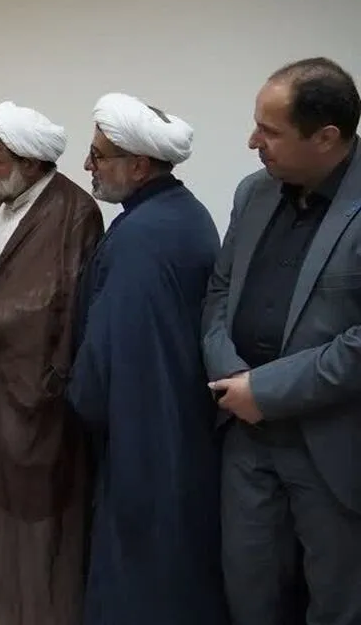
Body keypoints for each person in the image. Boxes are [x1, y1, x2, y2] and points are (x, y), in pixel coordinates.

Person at [204, 57, 361, 625]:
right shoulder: (254, 193)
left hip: (334, 443)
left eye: (269, 131)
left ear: (326, 137)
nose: (253, 142)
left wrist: (266, 390)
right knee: (249, 591)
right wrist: (231, 376)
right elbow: (220, 292)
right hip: (245, 434)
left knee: (337, 601)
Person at [67, 94, 228, 625]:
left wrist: (79, 402)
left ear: (138, 165)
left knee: (139, 578)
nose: (87, 165)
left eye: (98, 155)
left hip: (143, 437)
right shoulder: (184, 214)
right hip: (179, 428)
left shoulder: (141, 235)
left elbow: (109, 355)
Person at [0, 102, 103, 625]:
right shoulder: (0, 204)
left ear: (31, 163)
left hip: (34, 394)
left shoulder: (75, 211)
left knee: (32, 510)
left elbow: (59, 300)